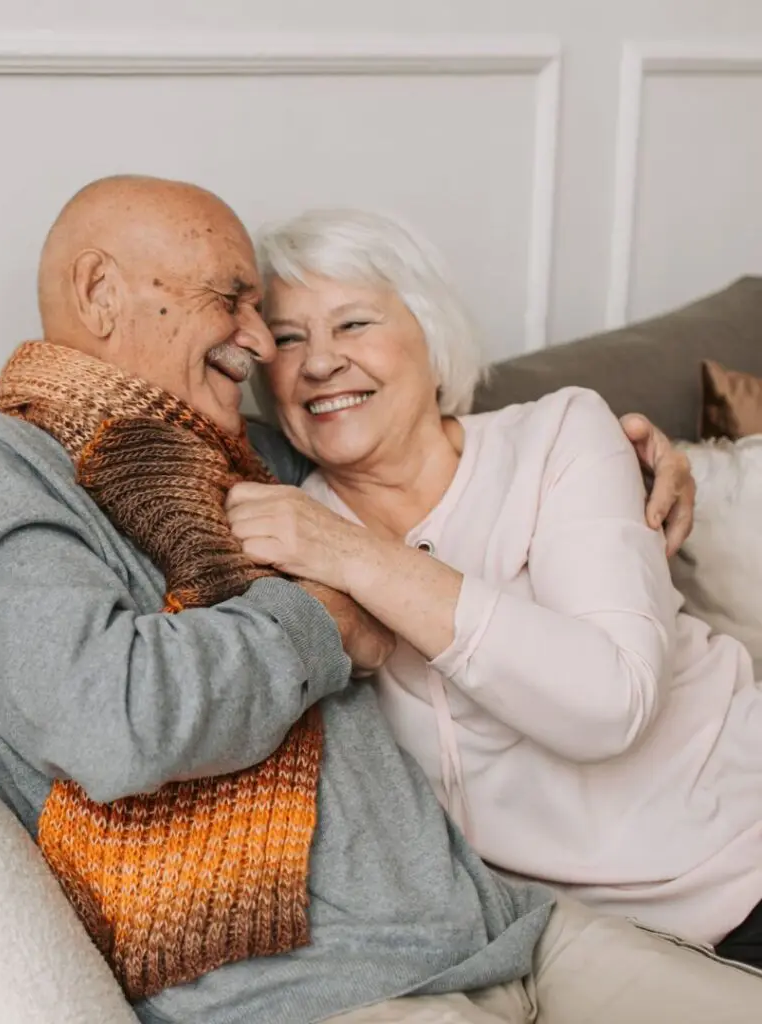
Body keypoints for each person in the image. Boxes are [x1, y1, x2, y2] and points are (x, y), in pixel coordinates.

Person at [0, 176, 760, 1024]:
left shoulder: (257, 462)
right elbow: (112, 718)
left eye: (336, 322)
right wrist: (327, 622)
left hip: (521, 930)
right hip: (342, 984)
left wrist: (649, 455)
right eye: (239, 304)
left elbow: (419, 431)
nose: (266, 349)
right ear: (100, 291)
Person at [230, 205, 762, 973]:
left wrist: (355, 557)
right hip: (578, 947)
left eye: (353, 325)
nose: (319, 363)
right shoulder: (286, 523)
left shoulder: (560, 436)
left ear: (431, 337)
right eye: (286, 338)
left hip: (743, 850)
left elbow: (612, 703)